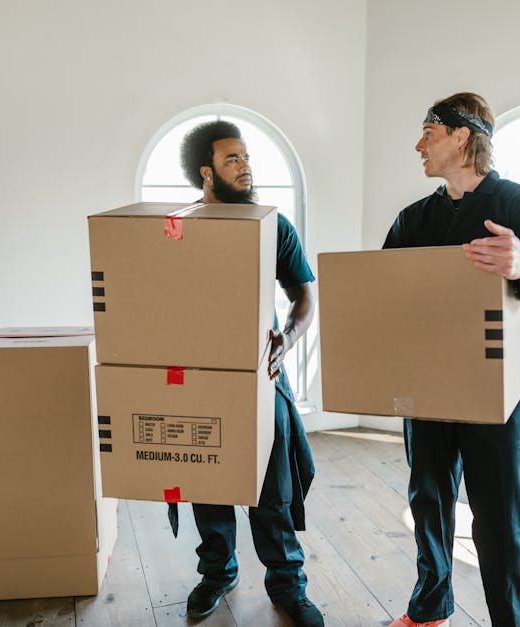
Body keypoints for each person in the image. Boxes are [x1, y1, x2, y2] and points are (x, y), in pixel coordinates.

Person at [384, 93, 520, 627]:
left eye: (428, 133)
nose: (418, 145)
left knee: (501, 519)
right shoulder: (413, 219)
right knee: (428, 500)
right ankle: (430, 606)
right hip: (428, 383)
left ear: (461, 137)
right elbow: (384, 292)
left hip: (500, 388)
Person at [177, 120, 323, 627]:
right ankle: (217, 573)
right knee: (208, 482)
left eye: (246, 157)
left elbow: (305, 295)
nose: (246, 166)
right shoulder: (176, 231)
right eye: (232, 159)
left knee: (272, 489)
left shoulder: (273, 226)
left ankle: (288, 585)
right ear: (206, 171)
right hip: (196, 379)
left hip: (260, 377)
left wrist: (289, 336)